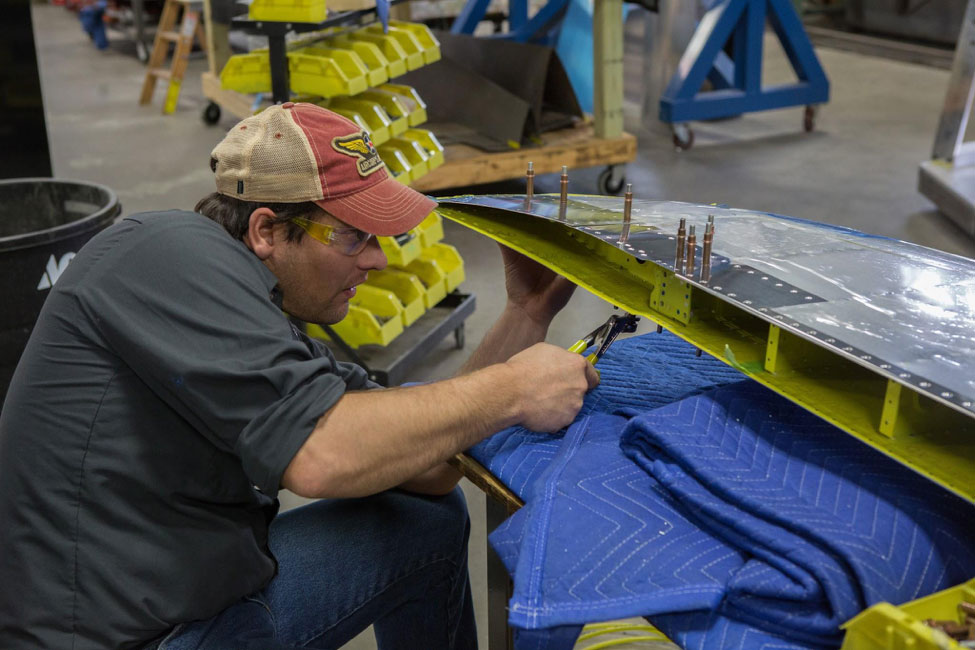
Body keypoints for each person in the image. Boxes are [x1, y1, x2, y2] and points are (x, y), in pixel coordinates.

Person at [0, 103, 599, 649]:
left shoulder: (253, 311)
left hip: (192, 586)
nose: (377, 258)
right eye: (353, 235)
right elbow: (324, 457)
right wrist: (513, 389)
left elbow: (428, 468)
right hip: (131, 635)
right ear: (265, 230)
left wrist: (527, 313)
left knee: (426, 518)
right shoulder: (163, 253)